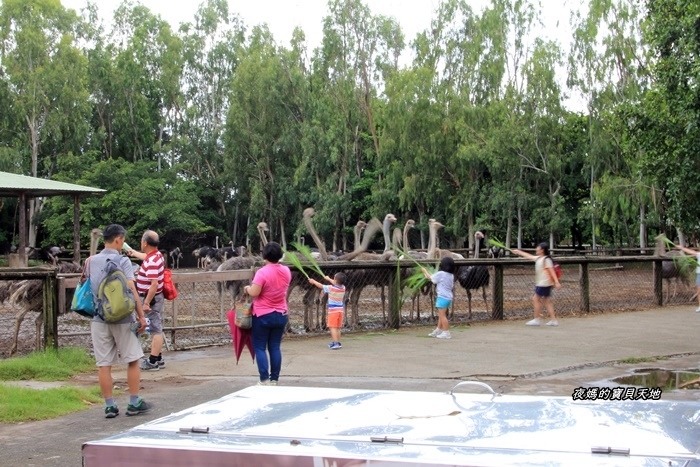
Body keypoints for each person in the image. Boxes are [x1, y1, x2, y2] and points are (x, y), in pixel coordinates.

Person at [87, 224, 150, 418]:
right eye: (122, 240)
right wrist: (141, 316)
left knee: (104, 363)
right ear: (118, 239)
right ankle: (133, 402)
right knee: (132, 359)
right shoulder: (123, 261)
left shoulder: (90, 261)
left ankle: (110, 406)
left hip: (99, 317)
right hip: (123, 318)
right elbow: (131, 289)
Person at [243, 242, 291, 385]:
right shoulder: (286, 271)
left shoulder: (262, 272)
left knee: (260, 347)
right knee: (275, 347)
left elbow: (255, 292)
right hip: (281, 313)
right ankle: (274, 379)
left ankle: (264, 379)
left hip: (263, 314)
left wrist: (247, 289)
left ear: (264, 255)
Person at [126, 230, 166, 370]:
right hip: (154, 297)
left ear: (144, 243)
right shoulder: (156, 255)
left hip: (152, 299)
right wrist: (133, 253)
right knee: (155, 326)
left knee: (156, 329)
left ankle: (153, 361)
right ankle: (158, 358)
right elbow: (146, 257)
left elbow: (154, 284)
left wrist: (147, 302)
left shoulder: (152, 261)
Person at [512, 242, 561, 326]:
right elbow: (529, 256)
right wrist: (518, 252)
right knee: (547, 301)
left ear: (542, 250)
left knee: (535, 299)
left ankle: (537, 319)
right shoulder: (539, 258)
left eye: (537, 247)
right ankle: (553, 320)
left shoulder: (546, 259)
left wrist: (556, 282)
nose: (536, 249)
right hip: (543, 283)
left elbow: (551, 271)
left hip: (544, 283)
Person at [308, 272, 347, 349]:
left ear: (335, 280)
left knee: (332, 327)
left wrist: (313, 281)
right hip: (340, 311)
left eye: (334, 278)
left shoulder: (331, 288)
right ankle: (338, 342)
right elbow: (336, 283)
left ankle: (336, 343)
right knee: (338, 328)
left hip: (333, 312)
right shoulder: (343, 288)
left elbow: (321, 286)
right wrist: (329, 279)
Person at [423, 257, 455, 339]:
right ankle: (438, 330)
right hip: (448, 297)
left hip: (442, 297)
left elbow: (431, 279)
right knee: (442, 315)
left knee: (442, 316)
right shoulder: (451, 275)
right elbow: (435, 278)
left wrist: (424, 271)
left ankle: (446, 332)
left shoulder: (441, 273)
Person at [674, 243, 700, 312]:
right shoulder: (699, 254)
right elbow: (691, 252)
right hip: (699, 274)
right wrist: (681, 248)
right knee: (698, 291)